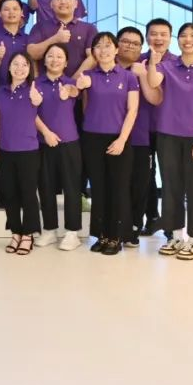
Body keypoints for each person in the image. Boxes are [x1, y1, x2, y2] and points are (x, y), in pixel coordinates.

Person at [146, 23, 193, 261]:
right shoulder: (167, 66)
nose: (188, 39)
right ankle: (176, 236)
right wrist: (153, 62)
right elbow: (153, 82)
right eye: (183, 36)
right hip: (167, 136)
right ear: (177, 40)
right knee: (171, 188)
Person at [77, 32, 140, 256]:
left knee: (118, 188)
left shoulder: (128, 77)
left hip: (118, 138)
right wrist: (80, 84)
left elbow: (133, 110)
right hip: (92, 138)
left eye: (108, 45)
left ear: (116, 50)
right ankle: (101, 234)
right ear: (93, 52)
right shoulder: (88, 75)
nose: (103, 50)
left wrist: (122, 139)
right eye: (98, 46)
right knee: (99, 187)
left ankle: (116, 236)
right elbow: (72, 90)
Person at [0, 53, 45, 255]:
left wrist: (36, 98)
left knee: (28, 194)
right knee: (10, 194)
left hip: (28, 151)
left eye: (24, 65)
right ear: (9, 67)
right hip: (6, 149)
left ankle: (28, 234)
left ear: (30, 69)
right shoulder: (1, 91)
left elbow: (38, 101)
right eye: (16, 64)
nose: (20, 68)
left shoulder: (34, 89)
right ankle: (15, 232)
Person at [34, 43, 83, 251]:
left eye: (59, 57)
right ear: (44, 60)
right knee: (45, 187)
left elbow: (75, 92)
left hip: (69, 142)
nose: (55, 60)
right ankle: (50, 229)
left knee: (72, 188)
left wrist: (70, 91)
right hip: (43, 142)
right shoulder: (35, 83)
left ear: (66, 62)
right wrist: (46, 133)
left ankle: (72, 232)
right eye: (50, 56)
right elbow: (31, 113)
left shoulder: (71, 83)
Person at [140, 18, 178, 237]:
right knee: (146, 176)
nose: (158, 38)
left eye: (164, 34)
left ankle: (171, 224)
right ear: (147, 37)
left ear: (170, 38)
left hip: (169, 128)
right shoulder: (139, 61)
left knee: (170, 176)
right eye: (154, 34)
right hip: (143, 127)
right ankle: (152, 218)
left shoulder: (178, 63)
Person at [116, 26, 152, 248]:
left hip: (139, 137)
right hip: (110, 135)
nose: (130, 46)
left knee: (139, 184)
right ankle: (115, 227)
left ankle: (134, 227)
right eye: (125, 41)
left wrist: (144, 75)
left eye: (135, 43)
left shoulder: (145, 69)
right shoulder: (106, 67)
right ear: (117, 44)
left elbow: (156, 99)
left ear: (141, 48)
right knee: (115, 184)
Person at [26, 0, 96, 78]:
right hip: (45, 85)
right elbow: (31, 53)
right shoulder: (39, 26)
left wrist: (72, 82)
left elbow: (93, 58)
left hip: (79, 85)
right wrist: (55, 39)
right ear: (51, 4)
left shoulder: (89, 28)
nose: (63, 2)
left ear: (76, 4)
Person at [0, 0, 31, 86]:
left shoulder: (28, 39)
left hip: (25, 91)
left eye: (15, 9)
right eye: (6, 9)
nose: (11, 12)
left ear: (21, 12)